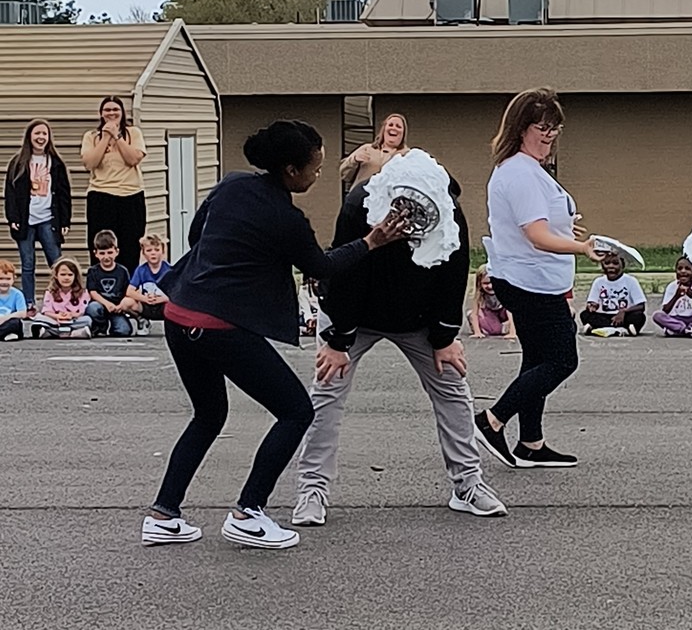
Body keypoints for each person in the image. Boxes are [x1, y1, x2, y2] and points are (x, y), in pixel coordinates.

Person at [141, 120, 405, 550]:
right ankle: (248, 513)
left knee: (208, 415)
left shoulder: (231, 184)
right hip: (219, 326)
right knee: (296, 411)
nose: (318, 175)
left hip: (178, 313)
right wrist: (371, 241)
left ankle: (163, 515)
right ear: (290, 170)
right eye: (314, 168)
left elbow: (196, 235)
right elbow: (321, 267)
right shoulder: (287, 219)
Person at [292, 173, 507, 527]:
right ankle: (312, 489)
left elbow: (453, 275)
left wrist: (444, 338)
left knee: (452, 386)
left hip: (417, 316)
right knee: (327, 391)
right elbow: (345, 274)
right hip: (355, 313)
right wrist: (338, 340)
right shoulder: (359, 205)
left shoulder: (449, 210)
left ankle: (468, 483)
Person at [474, 87, 600, 470]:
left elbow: (538, 225)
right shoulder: (520, 173)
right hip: (530, 282)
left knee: (536, 360)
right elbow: (536, 235)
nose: (549, 135)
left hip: (526, 278)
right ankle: (492, 420)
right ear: (520, 127)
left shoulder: (523, 169)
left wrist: (565, 229)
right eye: (541, 127)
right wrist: (582, 248)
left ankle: (531, 442)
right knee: (562, 360)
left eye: (554, 128)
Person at [4, 118, 72, 310]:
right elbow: (10, 193)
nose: (41, 137)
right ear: (29, 136)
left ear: (49, 137)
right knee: (28, 264)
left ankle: (62, 300)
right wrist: (12, 217)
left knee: (57, 262)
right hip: (26, 221)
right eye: (37, 133)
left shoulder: (56, 163)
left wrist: (65, 221)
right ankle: (29, 303)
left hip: (49, 219)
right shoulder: (18, 162)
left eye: (44, 133)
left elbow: (64, 194)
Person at [80, 96, 147, 272]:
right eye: (107, 110)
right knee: (101, 244)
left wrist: (117, 136)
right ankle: (100, 282)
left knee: (130, 245)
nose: (111, 113)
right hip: (101, 194)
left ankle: (128, 283)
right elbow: (90, 163)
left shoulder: (133, 133)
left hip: (130, 194)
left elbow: (133, 159)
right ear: (101, 114)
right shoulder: (91, 136)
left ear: (122, 112)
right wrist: (105, 137)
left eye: (115, 109)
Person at [580, 253, 646, 336]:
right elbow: (592, 302)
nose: (611, 266)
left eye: (615, 263)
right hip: (605, 315)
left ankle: (598, 327)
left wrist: (623, 311)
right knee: (585, 314)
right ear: (602, 265)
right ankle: (621, 328)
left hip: (625, 315)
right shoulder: (598, 282)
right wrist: (592, 306)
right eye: (607, 263)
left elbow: (641, 306)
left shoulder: (631, 281)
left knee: (639, 316)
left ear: (622, 265)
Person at [338, 113, 409, 188]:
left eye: (398, 126)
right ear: (384, 129)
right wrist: (354, 160)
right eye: (390, 125)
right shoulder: (367, 149)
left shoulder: (407, 156)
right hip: (361, 194)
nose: (394, 128)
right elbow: (344, 174)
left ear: (403, 133)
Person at [85, 230, 133, 338]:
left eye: (110, 252)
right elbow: (93, 292)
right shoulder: (93, 271)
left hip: (117, 308)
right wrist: (106, 304)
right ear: (95, 253)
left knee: (124, 331)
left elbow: (128, 291)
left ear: (117, 251)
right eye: (102, 253)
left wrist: (121, 306)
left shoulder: (122, 271)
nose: (106, 257)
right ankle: (101, 325)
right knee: (92, 308)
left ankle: (114, 326)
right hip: (100, 304)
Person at [31, 257, 92, 339]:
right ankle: (71, 333)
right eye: (63, 274)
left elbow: (82, 311)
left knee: (87, 320)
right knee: (38, 318)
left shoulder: (83, 292)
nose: (66, 278)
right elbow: (46, 311)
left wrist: (71, 315)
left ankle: (54, 332)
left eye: (70, 275)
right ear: (56, 275)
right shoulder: (50, 292)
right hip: (55, 320)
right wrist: (57, 316)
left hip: (73, 320)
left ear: (75, 276)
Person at [124, 234, 172, 336]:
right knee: (126, 303)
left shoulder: (169, 270)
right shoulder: (140, 270)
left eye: (157, 250)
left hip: (163, 306)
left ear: (163, 251)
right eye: (149, 250)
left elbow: (177, 292)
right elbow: (129, 291)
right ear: (144, 253)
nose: (153, 253)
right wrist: (144, 298)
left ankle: (171, 327)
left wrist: (164, 298)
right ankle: (142, 320)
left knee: (177, 305)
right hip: (146, 305)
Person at [468, 265, 515, 339]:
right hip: (490, 312)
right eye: (485, 283)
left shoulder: (504, 291)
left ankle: (509, 326)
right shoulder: (479, 294)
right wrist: (477, 332)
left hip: (503, 312)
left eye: (492, 282)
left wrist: (512, 333)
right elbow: (475, 314)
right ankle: (485, 325)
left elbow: (510, 311)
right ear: (479, 283)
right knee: (495, 331)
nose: (490, 286)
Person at [0, 260, 28, 341]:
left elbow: (22, 313)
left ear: (13, 279)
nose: (4, 282)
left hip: (8, 322)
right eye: (0, 279)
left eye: (8, 279)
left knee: (16, 323)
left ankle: (7, 334)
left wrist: (5, 318)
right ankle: (5, 335)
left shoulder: (17, 294)